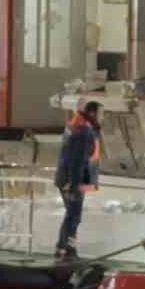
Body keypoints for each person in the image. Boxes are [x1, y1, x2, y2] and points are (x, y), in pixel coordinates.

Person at [54, 101, 103, 259]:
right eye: (101, 113)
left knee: (73, 214)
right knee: (73, 215)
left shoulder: (74, 126)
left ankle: (69, 248)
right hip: (75, 180)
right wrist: (74, 186)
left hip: (67, 178)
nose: (103, 117)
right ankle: (62, 248)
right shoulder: (84, 132)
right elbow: (78, 161)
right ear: (93, 114)